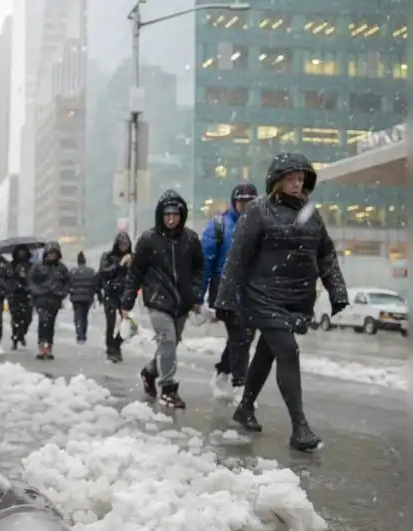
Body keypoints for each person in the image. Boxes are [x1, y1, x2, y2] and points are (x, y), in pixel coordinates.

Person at [215, 153, 348, 451]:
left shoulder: (311, 214)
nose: (297, 184)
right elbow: (237, 258)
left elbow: (325, 253)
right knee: (288, 350)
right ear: (276, 180)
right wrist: (225, 297)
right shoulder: (259, 211)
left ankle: (245, 406)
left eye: (301, 179)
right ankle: (299, 427)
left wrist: (337, 290)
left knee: (267, 351)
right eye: (291, 178)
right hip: (262, 295)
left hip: (296, 298)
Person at [121, 190, 204, 409]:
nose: (171, 219)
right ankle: (168, 388)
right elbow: (136, 272)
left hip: (182, 303)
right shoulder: (148, 240)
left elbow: (198, 269)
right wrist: (127, 302)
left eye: (175, 214)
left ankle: (150, 371)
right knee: (167, 341)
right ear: (160, 215)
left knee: (171, 345)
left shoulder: (191, 239)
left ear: (182, 215)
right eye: (167, 214)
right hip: (157, 300)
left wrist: (195, 294)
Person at [200, 183, 259, 396]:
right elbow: (205, 264)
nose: (245, 206)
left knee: (244, 336)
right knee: (240, 335)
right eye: (241, 201)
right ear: (234, 202)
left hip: (252, 291)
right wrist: (199, 298)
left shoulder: (261, 226)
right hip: (225, 288)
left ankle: (223, 371)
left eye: (250, 202)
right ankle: (239, 386)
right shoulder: (219, 226)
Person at [28, 241, 70, 359]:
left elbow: (67, 282)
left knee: (50, 323)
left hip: (54, 299)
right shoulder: (38, 266)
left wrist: (62, 293)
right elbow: (31, 281)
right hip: (41, 299)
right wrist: (38, 291)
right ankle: (41, 346)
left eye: (54, 253)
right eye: (50, 253)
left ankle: (49, 347)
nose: (52, 256)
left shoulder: (62, 268)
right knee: (43, 321)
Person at [99, 232, 133, 363]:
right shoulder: (108, 256)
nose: (124, 247)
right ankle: (110, 349)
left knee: (129, 324)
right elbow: (104, 273)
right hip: (111, 293)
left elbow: (137, 275)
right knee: (111, 323)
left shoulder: (132, 257)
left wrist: (131, 266)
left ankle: (116, 345)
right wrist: (120, 264)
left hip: (126, 294)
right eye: (121, 244)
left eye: (126, 244)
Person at [68, 250, 100, 344]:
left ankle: (80, 335)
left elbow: (69, 284)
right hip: (87, 297)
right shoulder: (91, 271)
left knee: (78, 316)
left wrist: (69, 293)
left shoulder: (73, 272)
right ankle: (83, 334)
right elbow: (95, 284)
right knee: (84, 316)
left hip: (76, 298)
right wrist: (97, 295)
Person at [8, 244, 34, 350]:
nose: (21, 254)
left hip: (27, 294)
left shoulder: (31, 265)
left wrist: (27, 281)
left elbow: (33, 278)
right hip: (15, 293)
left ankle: (21, 334)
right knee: (16, 317)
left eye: (23, 251)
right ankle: (15, 338)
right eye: (20, 252)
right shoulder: (11, 265)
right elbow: (8, 278)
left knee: (27, 317)